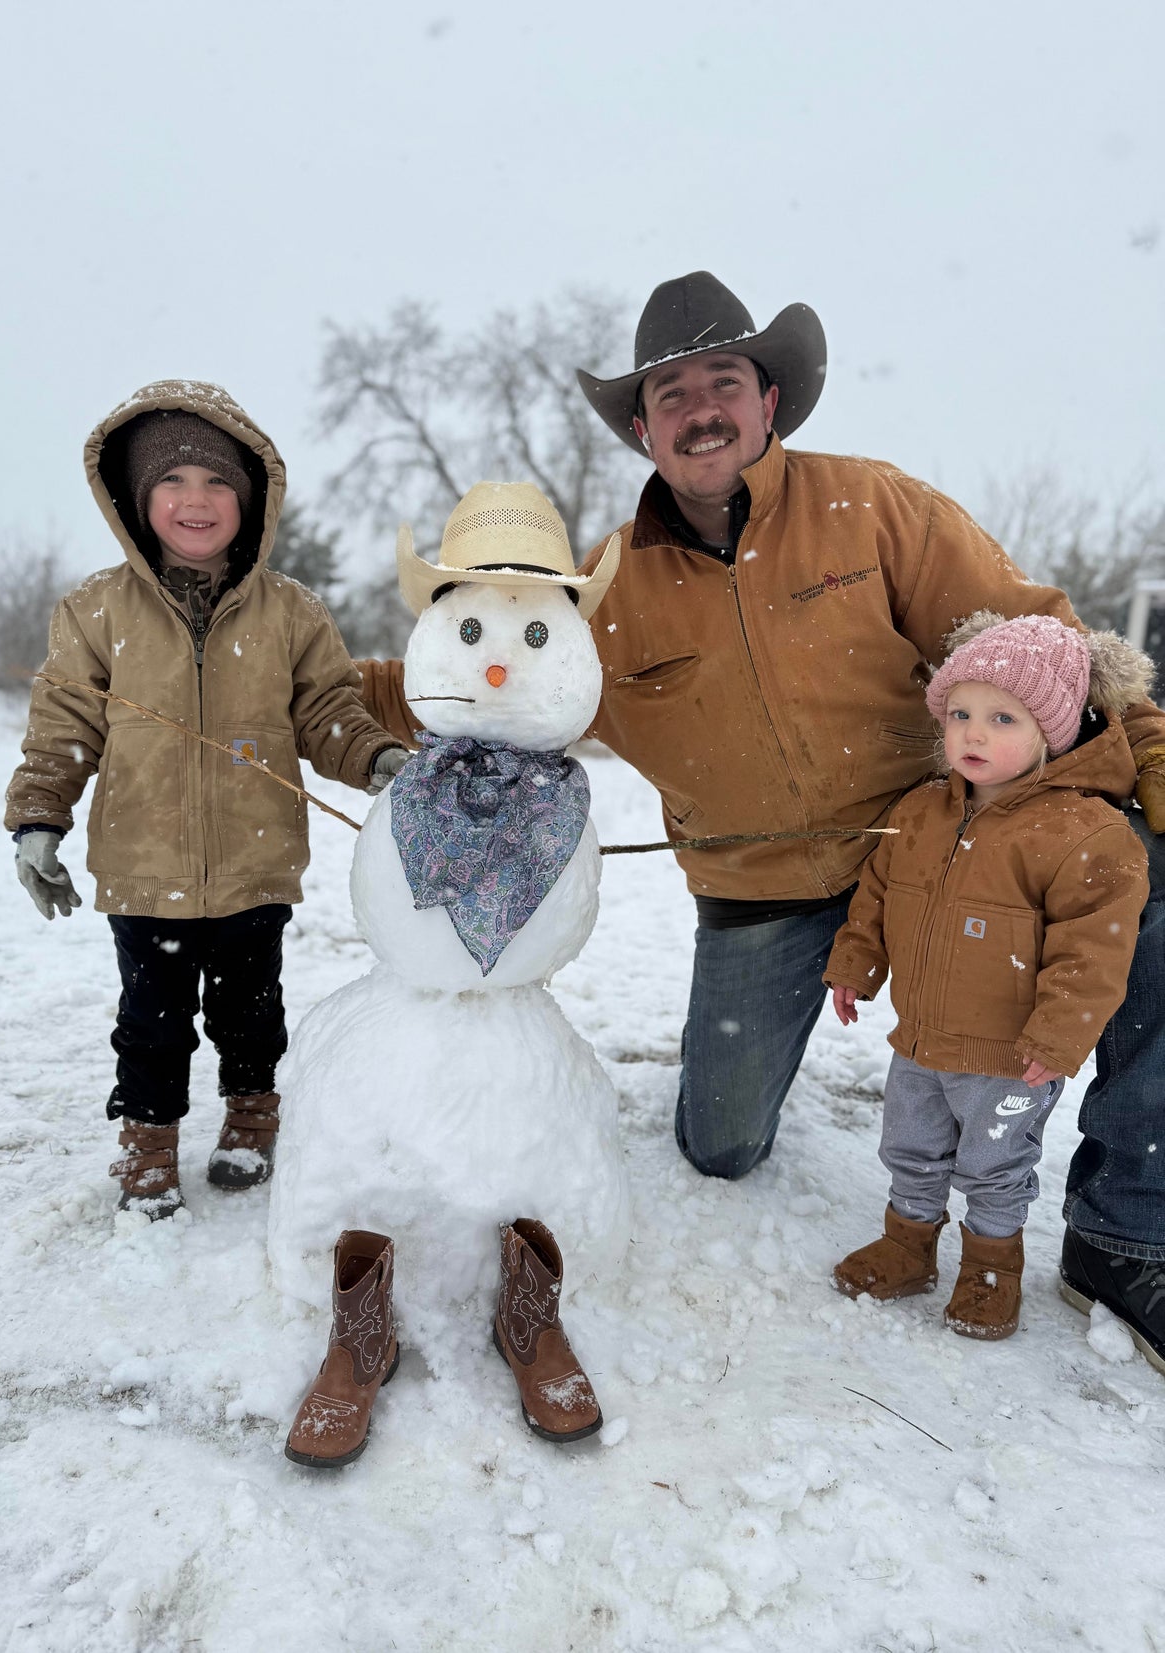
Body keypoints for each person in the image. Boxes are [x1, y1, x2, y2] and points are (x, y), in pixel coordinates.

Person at [353, 271, 1165, 1374]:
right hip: (760, 891)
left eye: (723, 381)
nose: (701, 409)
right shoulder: (604, 591)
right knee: (720, 1144)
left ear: (768, 400)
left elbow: (1032, 642)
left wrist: (1143, 750)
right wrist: (316, 696)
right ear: (641, 429)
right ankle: (741, 1068)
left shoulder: (874, 509)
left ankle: (1125, 1230)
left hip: (934, 849)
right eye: (671, 393)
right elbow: (479, 673)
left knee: (1145, 886)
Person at [5, 381, 409, 1220]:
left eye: (218, 481)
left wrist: (374, 756)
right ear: (137, 498)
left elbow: (327, 711)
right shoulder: (95, 610)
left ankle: (252, 1115)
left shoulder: (290, 611)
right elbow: (62, 727)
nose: (197, 500)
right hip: (143, 868)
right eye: (173, 481)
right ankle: (148, 1141)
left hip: (254, 867)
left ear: (250, 497)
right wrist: (39, 819)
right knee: (150, 1022)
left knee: (250, 1013)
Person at [823, 613, 1149, 1340]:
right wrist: (855, 963)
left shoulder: (1086, 834)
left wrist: (1059, 1035)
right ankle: (909, 1246)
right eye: (960, 713)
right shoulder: (920, 811)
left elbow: (1095, 952)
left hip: (1010, 1058)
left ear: (1051, 732)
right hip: (919, 1040)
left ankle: (991, 1267)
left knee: (995, 1164)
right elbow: (878, 894)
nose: (973, 733)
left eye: (1003, 718)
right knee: (910, 1147)